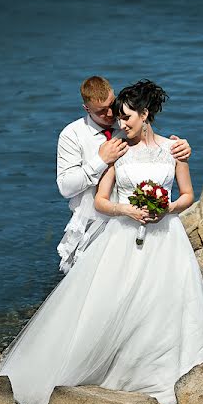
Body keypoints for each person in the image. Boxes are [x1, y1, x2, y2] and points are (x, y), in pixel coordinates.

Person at [0, 80, 203, 404]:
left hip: (167, 239)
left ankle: (160, 369)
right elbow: (100, 200)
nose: (120, 122)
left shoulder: (174, 150)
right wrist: (126, 209)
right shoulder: (116, 149)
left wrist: (167, 208)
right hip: (122, 236)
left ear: (145, 115)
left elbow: (187, 195)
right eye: (117, 116)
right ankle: (105, 371)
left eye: (127, 116)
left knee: (164, 303)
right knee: (114, 303)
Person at [55, 75, 191, 273]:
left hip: (134, 224)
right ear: (87, 109)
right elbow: (65, 188)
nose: (111, 115)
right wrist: (100, 161)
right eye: (102, 112)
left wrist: (183, 149)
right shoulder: (72, 135)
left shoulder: (126, 127)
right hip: (94, 221)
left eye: (112, 105)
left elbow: (152, 145)